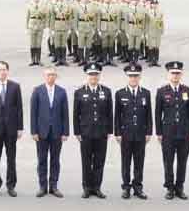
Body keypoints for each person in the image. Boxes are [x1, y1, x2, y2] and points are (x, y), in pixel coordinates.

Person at [156, 61, 189, 200]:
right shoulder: (162, 91)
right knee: (168, 161)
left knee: (182, 161)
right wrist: (159, 133)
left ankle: (180, 187)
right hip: (168, 133)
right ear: (168, 74)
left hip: (183, 133)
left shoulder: (187, 91)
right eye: (173, 73)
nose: (175, 75)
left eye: (178, 73)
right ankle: (170, 188)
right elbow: (157, 114)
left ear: (181, 74)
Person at [0, 61, 24, 197]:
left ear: (8, 71)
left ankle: (11, 185)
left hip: (11, 129)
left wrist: (20, 127)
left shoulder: (15, 87)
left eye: (4, 69)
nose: (2, 72)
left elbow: (19, 108)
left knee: (11, 158)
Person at [74, 62, 113, 198]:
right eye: (91, 74)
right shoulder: (79, 92)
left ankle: (96, 187)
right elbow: (76, 114)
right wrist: (77, 132)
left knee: (99, 161)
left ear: (99, 75)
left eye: (96, 74)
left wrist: (109, 130)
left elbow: (109, 113)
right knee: (86, 161)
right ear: (87, 75)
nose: (93, 77)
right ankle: (86, 187)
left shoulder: (106, 91)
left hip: (101, 133)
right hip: (86, 133)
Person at [30, 65, 69, 198]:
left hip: (57, 132)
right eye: (48, 75)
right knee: (42, 160)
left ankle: (53, 186)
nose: (50, 77)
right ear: (44, 76)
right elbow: (33, 112)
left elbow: (65, 113)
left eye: (53, 74)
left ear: (56, 76)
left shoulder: (62, 92)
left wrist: (65, 132)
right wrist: (33, 131)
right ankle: (42, 186)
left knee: (55, 160)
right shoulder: (37, 91)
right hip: (41, 132)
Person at [114, 63, 151, 199]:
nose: (133, 79)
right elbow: (117, 116)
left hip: (140, 133)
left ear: (139, 77)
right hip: (126, 134)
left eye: (136, 76)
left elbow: (148, 115)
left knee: (139, 161)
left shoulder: (145, 93)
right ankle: (126, 187)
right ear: (127, 77)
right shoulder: (120, 94)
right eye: (131, 76)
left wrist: (148, 132)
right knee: (126, 161)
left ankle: (138, 187)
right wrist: (117, 133)